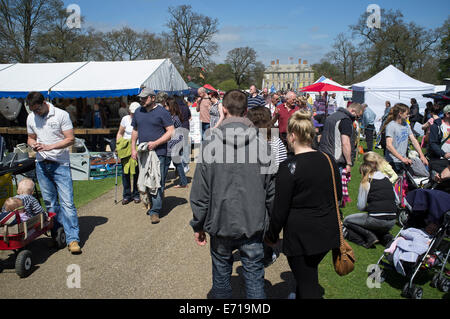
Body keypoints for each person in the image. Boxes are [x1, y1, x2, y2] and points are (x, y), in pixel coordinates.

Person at [190, 89, 275, 299]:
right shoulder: (262, 144)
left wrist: (198, 225)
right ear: (245, 111)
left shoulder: (212, 144)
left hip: (225, 224)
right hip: (249, 225)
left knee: (222, 282)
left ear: (224, 110)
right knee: (253, 282)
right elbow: (273, 194)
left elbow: (200, 192)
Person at [264, 110, 341, 299]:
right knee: (308, 275)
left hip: (301, 236)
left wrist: (271, 235)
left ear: (292, 135)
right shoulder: (328, 159)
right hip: (326, 232)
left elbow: (279, 209)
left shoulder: (289, 167)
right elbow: (337, 195)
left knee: (307, 284)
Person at [26, 91, 81, 254]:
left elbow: (70, 138)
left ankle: (73, 239)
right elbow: (30, 137)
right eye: (32, 110)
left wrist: (50, 146)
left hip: (60, 164)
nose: (35, 112)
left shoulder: (61, 115)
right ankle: (58, 235)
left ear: (44, 103)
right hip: (41, 164)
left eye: (37, 109)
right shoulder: (31, 117)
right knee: (50, 203)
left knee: (67, 203)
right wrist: (33, 144)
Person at [247, 106, 287, 267]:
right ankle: (266, 251)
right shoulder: (274, 139)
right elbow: (282, 165)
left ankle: (263, 250)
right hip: (270, 182)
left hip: (258, 183)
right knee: (268, 219)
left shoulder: (248, 139)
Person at [131, 88, 174, 224]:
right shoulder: (138, 112)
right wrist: (133, 148)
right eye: (141, 98)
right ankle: (153, 203)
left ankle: (155, 211)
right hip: (143, 153)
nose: (141, 100)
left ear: (153, 98)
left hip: (159, 152)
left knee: (157, 182)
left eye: (144, 98)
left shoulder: (162, 112)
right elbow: (135, 130)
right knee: (145, 180)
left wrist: (156, 143)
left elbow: (171, 132)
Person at [343, 161, 397, 248]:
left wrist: (370, 208)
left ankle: (369, 236)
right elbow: (396, 200)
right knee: (375, 222)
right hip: (392, 220)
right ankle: (384, 237)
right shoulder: (387, 179)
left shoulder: (366, 181)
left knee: (347, 220)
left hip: (376, 219)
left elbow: (361, 206)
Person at [319, 103, 365, 175]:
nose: (356, 119)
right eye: (357, 116)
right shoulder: (345, 120)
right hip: (337, 160)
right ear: (353, 111)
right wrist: (349, 163)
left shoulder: (331, 117)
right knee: (337, 185)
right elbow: (345, 143)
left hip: (324, 157)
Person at [382, 103, 428, 174]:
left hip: (403, 160)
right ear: (400, 114)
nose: (408, 115)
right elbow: (389, 145)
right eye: (407, 114)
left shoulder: (406, 124)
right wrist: (402, 158)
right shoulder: (391, 126)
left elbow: (413, 140)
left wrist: (422, 155)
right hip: (393, 162)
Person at [116, 102, 141, 205]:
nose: (133, 115)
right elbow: (120, 133)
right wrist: (118, 146)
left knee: (136, 172)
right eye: (131, 113)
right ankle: (126, 195)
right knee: (125, 173)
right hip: (125, 148)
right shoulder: (125, 119)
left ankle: (136, 194)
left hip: (137, 147)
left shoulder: (142, 119)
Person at [165, 97, 188, 188]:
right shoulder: (175, 117)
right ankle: (183, 182)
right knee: (177, 164)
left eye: (166, 106)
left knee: (167, 164)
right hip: (176, 142)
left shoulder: (173, 118)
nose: (165, 107)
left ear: (170, 106)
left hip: (174, 143)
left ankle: (162, 184)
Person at [427, 104, 450, 174]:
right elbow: (432, 143)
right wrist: (443, 154)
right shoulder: (436, 126)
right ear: (447, 114)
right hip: (441, 160)